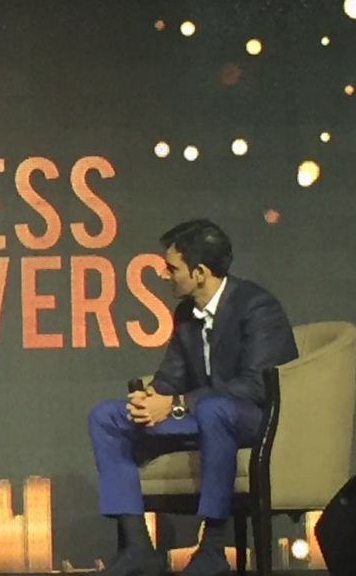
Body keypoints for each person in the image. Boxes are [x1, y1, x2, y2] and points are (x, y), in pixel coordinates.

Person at [88, 219, 297, 576]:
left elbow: (256, 386)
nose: (163, 275)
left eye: (171, 268)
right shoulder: (186, 314)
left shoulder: (258, 306)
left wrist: (176, 404)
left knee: (215, 409)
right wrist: (150, 397)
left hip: (252, 419)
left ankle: (213, 548)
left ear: (199, 273)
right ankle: (138, 548)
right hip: (202, 413)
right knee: (107, 415)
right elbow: (171, 377)